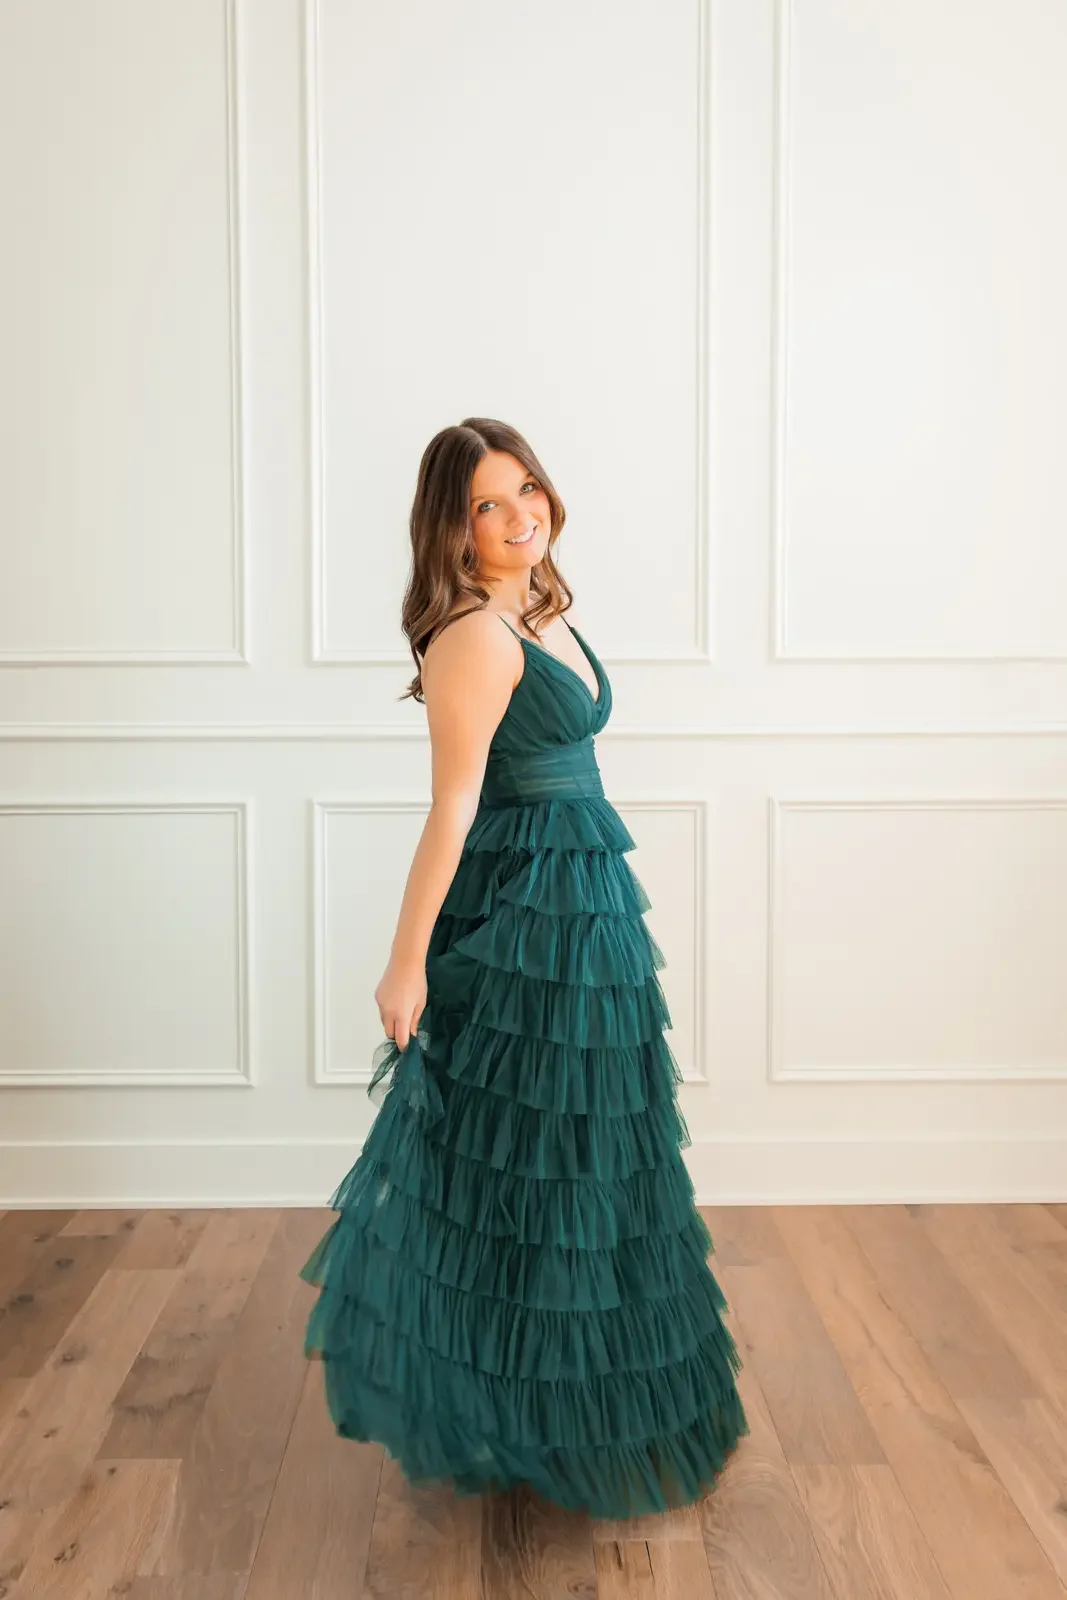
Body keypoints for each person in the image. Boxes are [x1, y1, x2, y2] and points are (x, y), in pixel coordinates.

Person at [299, 416, 749, 1518]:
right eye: (487, 506)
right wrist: (404, 964)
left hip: (585, 908)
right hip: (526, 915)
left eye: (526, 490)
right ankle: (521, 1406)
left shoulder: (536, 607)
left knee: (585, 1153)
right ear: (452, 530)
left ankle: (567, 1402)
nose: (518, 516)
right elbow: (452, 805)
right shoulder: (474, 636)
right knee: (528, 1157)